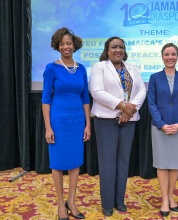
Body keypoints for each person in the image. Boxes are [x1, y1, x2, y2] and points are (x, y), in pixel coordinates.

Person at [89, 36, 146, 217]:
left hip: (128, 120)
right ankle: (107, 204)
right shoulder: (99, 67)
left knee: (123, 162)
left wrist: (129, 111)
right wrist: (122, 106)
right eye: (114, 47)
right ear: (107, 50)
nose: (118, 50)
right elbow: (97, 92)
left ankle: (119, 201)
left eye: (121, 47)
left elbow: (142, 90)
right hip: (106, 120)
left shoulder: (132, 68)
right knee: (107, 163)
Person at [42, 27, 91, 220]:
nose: (65, 46)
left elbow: (85, 97)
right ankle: (61, 203)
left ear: (74, 44)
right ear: (57, 46)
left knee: (75, 162)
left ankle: (72, 201)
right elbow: (46, 99)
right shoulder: (51, 68)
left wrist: (88, 124)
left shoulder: (81, 69)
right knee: (58, 163)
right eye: (62, 43)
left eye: (68, 43)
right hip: (58, 120)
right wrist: (48, 127)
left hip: (77, 121)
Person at [148, 43, 178, 217]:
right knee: (162, 163)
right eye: (167, 54)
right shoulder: (154, 77)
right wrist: (162, 124)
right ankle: (165, 199)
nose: (170, 57)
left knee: (175, 164)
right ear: (162, 56)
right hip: (160, 128)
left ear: (177, 56)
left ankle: (171, 196)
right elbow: (151, 103)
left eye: (173, 54)